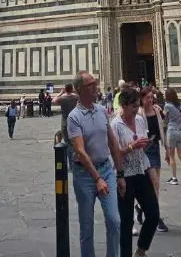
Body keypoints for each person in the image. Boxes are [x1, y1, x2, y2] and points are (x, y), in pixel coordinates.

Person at [67, 72, 123, 257]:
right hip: (85, 176)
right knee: (87, 226)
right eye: (91, 84)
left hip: (106, 170)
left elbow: (112, 142)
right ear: (79, 89)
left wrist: (120, 174)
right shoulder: (74, 117)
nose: (96, 87)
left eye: (95, 83)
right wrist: (97, 179)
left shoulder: (101, 110)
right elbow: (80, 152)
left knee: (114, 221)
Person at [111, 87, 159, 257]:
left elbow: (142, 146)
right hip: (124, 176)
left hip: (141, 171)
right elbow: (114, 153)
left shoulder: (139, 120)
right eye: (133, 106)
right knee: (126, 221)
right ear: (123, 105)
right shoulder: (115, 125)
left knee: (153, 214)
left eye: (137, 106)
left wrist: (146, 143)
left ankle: (140, 251)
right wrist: (132, 146)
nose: (137, 109)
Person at [139, 87, 168, 233]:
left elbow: (162, 129)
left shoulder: (157, 111)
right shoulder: (138, 113)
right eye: (147, 98)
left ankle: (141, 207)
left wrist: (168, 150)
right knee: (155, 183)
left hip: (155, 148)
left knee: (154, 186)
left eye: (152, 97)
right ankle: (156, 217)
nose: (150, 100)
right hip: (144, 151)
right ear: (142, 99)